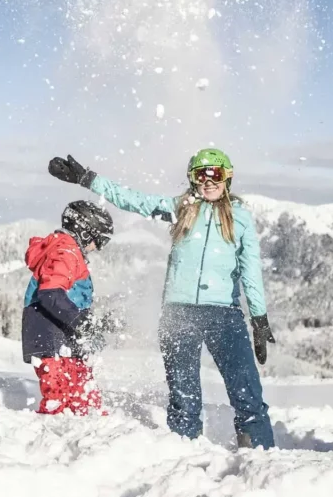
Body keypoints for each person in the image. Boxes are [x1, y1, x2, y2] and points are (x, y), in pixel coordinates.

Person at [48, 148, 276, 448]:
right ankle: (182, 458)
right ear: (192, 180)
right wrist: (88, 179)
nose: (208, 182)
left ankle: (258, 454)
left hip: (224, 314)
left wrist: (259, 319)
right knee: (184, 398)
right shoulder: (181, 208)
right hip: (178, 313)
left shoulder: (241, 219)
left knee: (246, 392)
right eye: (200, 175)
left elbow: (250, 273)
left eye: (215, 174)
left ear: (228, 177)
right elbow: (134, 200)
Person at [21, 200, 114, 416]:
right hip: (49, 330)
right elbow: (50, 293)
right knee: (58, 391)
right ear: (84, 232)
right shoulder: (66, 251)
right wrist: (79, 321)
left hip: (64, 330)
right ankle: (53, 435)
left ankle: (91, 430)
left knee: (82, 388)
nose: (97, 248)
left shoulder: (68, 250)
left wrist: (86, 323)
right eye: (98, 241)